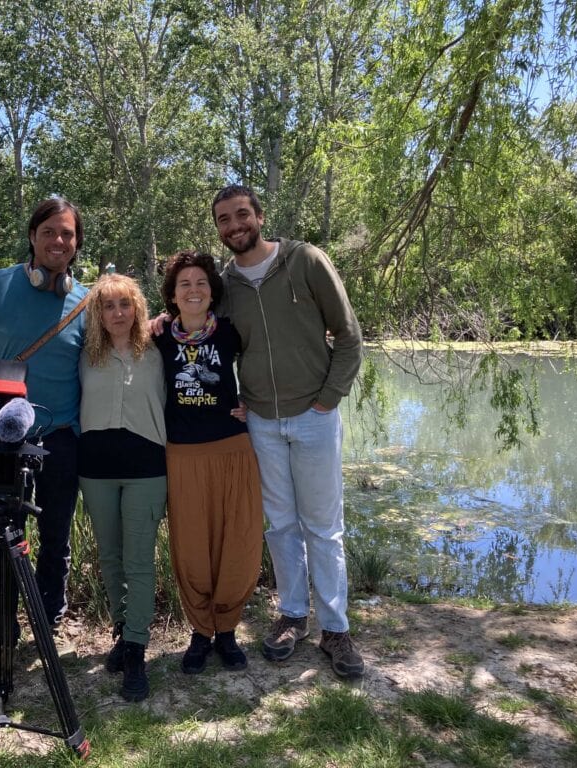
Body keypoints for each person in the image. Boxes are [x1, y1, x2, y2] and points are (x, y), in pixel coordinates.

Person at [212, 184, 365, 679]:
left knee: (323, 526)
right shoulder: (224, 285)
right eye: (223, 219)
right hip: (260, 420)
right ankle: (293, 615)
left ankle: (335, 629)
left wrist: (329, 398)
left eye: (241, 214)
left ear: (259, 216)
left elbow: (349, 335)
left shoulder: (305, 261)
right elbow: (212, 344)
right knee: (279, 524)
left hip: (314, 416)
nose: (234, 225)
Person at [0, 197, 89, 631]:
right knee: (3, 535)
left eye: (67, 234)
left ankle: (50, 622)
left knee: (56, 537)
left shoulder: (86, 301)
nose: (58, 241)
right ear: (32, 236)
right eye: (48, 232)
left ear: (77, 242)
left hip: (62, 436)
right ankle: (2, 627)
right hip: (0, 436)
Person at [154, 250, 264, 674]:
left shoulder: (231, 332)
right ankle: (201, 632)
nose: (194, 290)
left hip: (231, 448)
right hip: (183, 454)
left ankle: (228, 630)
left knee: (238, 541)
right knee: (191, 547)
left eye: (201, 282)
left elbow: (267, 365)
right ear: (173, 295)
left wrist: (253, 402)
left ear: (212, 292)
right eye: (184, 284)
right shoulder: (159, 337)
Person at [78, 274, 167, 701]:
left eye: (125, 304)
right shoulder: (83, 355)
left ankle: (136, 650)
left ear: (137, 308)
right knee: (111, 559)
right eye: (108, 305)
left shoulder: (159, 349)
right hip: (95, 469)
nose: (117, 313)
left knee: (139, 562)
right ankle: (122, 631)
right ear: (98, 312)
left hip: (146, 469)